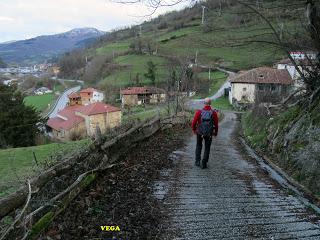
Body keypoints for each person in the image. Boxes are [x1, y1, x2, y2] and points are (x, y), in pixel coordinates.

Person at [191, 98, 218, 169]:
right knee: (207, 147)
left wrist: (194, 130)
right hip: (209, 133)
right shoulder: (214, 113)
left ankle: (197, 161)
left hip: (200, 132)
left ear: (204, 103)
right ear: (210, 103)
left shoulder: (199, 112)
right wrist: (215, 132)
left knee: (199, 146)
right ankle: (204, 162)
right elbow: (216, 124)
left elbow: (193, 123)